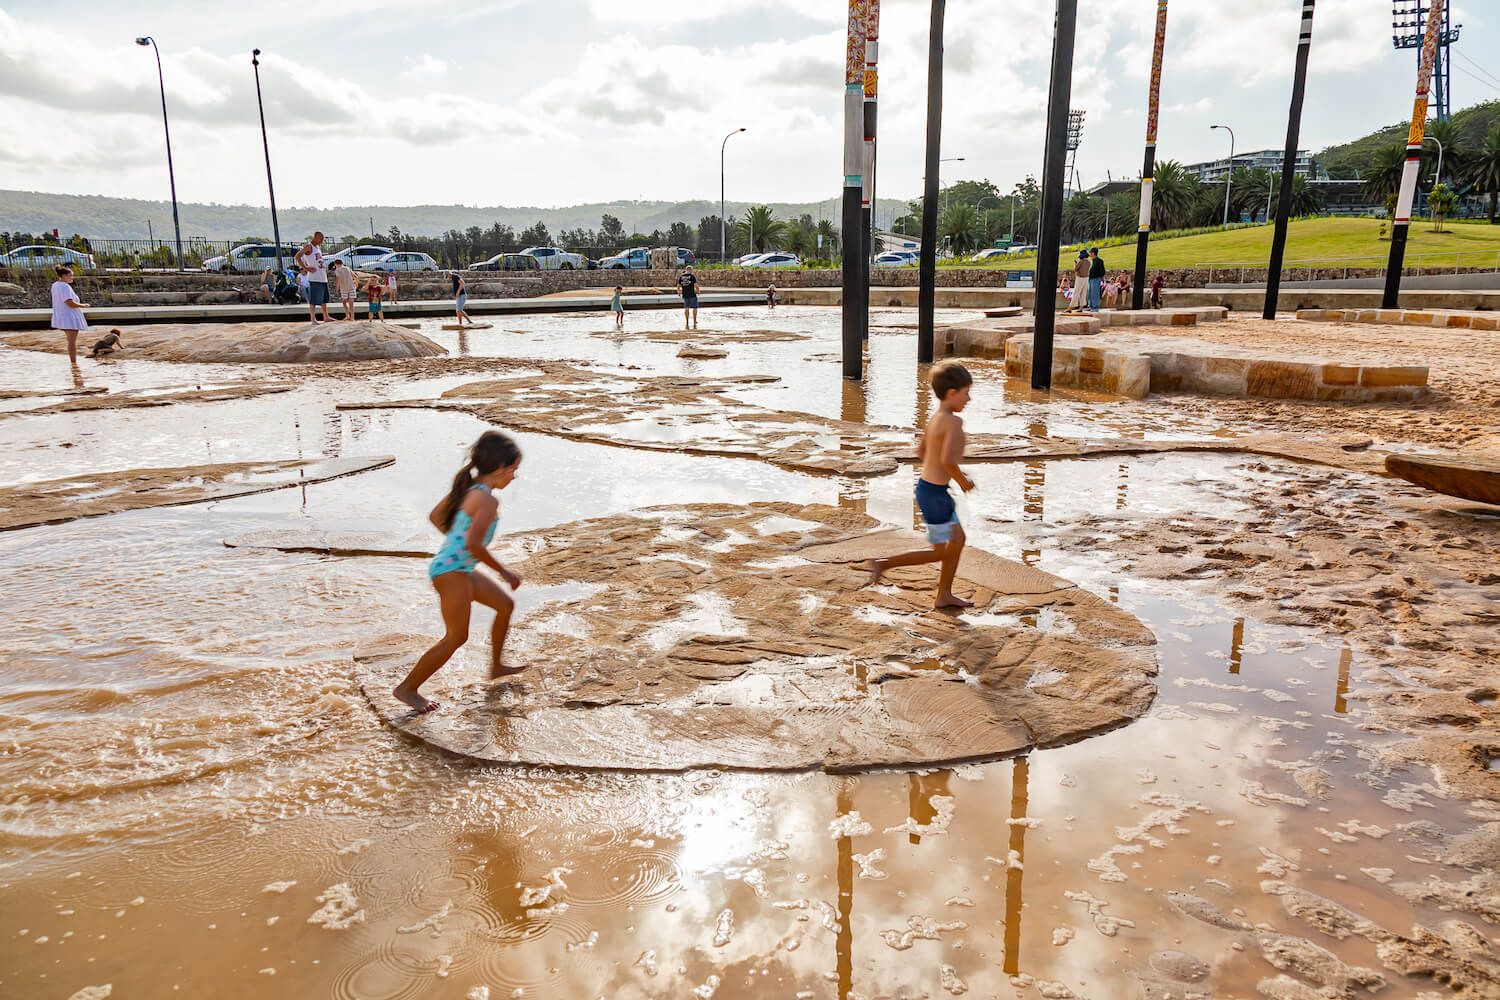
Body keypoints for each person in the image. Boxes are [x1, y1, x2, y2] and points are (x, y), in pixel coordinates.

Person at [394, 431, 525, 714]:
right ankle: (407, 689)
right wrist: (504, 571)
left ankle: (496, 665)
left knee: (505, 605)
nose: (514, 476)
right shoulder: (488, 501)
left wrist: (454, 542)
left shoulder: (469, 489)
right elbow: (474, 544)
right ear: (500, 468)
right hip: (451, 571)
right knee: (456, 637)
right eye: (513, 469)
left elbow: (435, 516)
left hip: (458, 567)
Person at [865, 361, 975, 610]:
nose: (969, 398)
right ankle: (884, 564)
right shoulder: (954, 423)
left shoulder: (936, 418)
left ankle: (944, 594)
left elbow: (921, 451)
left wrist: (940, 469)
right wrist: (963, 481)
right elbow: (946, 460)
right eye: (966, 392)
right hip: (935, 495)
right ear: (951, 393)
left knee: (955, 542)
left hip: (928, 490)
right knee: (943, 550)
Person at [50, 265, 89, 364]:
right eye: (70, 275)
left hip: (61, 316)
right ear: (63, 276)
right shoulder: (64, 286)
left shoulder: (55, 285)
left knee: (70, 341)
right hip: (69, 318)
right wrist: (83, 305)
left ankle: (73, 363)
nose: (72, 278)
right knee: (72, 342)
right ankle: (74, 364)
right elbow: (69, 302)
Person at [295, 231, 329, 323]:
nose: (322, 241)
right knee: (313, 299)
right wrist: (305, 268)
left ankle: (326, 317)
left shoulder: (318, 247)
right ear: (315, 237)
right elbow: (297, 256)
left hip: (322, 276)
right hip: (314, 277)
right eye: (321, 239)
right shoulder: (308, 246)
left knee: (324, 298)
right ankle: (313, 318)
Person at [677, 265, 699, 330]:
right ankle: (694, 321)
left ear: (686, 269)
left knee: (686, 308)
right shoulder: (692, 276)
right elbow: (696, 285)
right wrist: (698, 291)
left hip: (685, 294)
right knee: (694, 308)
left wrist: (678, 292)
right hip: (692, 294)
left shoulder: (681, 276)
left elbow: (678, 286)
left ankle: (687, 322)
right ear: (691, 270)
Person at [1087, 247, 1105, 313]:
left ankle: (1095, 307)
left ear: (1093, 253)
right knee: (1090, 293)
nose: (1089, 254)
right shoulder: (1091, 261)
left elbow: (1102, 271)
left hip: (1096, 279)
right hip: (1090, 279)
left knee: (1095, 293)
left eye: (1090, 252)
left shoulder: (1099, 261)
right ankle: (1090, 306)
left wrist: (1099, 277)